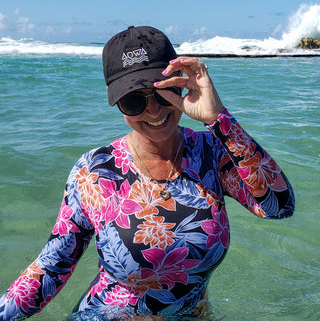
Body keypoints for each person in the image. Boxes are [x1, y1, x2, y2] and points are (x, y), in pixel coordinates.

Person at [0, 26, 295, 320]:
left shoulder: (213, 153)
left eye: (163, 92)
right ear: (117, 102)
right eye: (134, 100)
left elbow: (279, 206)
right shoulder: (94, 173)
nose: (154, 111)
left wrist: (219, 119)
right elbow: (53, 266)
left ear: (182, 85)